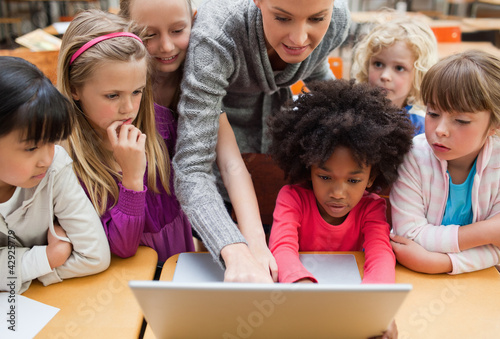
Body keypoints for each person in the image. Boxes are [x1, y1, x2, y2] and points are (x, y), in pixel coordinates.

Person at [173, 0, 351, 282]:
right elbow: (192, 167)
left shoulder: (339, 20)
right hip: (218, 141)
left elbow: (315, 70)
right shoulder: (217, 34)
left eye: (317, 19)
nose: (299, 38)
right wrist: (235, 250)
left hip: (275, 159)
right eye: (282, 18)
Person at [119, 0, 277, 280]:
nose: (166, 47)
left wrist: (256, 244)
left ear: (194, 20)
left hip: (181, 228)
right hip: (127, 228)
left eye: (178, 30)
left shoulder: (201, 80)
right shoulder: (121, 92)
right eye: (149, 35)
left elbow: (232, 166)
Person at [57, 10, 195, 264]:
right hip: (123, 286)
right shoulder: (66, 162)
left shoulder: (162, 126)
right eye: (112, 95)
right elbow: (123, 247)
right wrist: (132, 179)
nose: (129, 108)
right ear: (74, 88)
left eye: (137, 91)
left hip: (178, 270)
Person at [267, 79, 414, 284]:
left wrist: (374, 295)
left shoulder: (371, 208)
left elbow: (380, 254)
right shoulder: (292, 198)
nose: (337, 192)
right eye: (325, 177)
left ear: (371, 178)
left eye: (353, 180)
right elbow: (281, 247)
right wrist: (300, 284)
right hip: (298, 297)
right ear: (308, 169)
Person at [0, 56, 110, 294]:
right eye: (31, 148)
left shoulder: (54, 168)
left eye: (51, 142)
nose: (46, 159)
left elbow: (95, 256)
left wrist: (19, 270)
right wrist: (49, 257)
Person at [390, 50, 500, 274]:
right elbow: (409, 236)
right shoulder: (412, 156)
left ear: (494, 125)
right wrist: (487, 232)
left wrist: (441, 263)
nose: (440, 130)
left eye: (460, 120)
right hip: (415, 283)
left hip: (480, 288)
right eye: (432, 113)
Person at [351, 17, 438, 135]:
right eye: (378, 64)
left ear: (418, 75)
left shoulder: (422, 128)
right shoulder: (353, 114)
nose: (385, 76)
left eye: (399, 68)